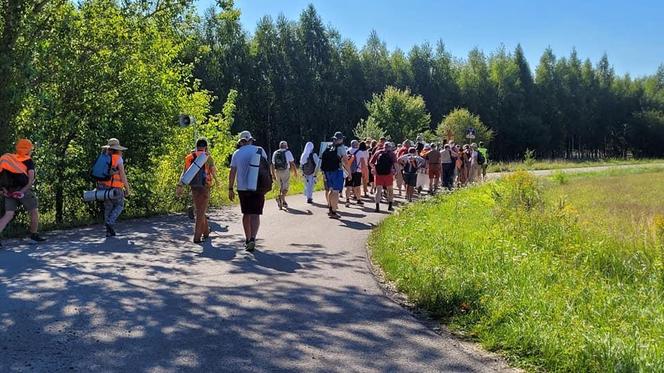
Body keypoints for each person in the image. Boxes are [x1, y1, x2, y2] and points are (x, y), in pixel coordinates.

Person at [0, 139, 47, 247]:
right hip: (24, 190)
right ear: (28, 149)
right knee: (33, 211)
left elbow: (2, 177)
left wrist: (4, 191)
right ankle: (33, 236)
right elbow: (30, 180)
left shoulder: (8, 159)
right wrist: (21, 192)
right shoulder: (28, 160)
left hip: (9, 191)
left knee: (8, 214)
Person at [228, 131, 268, 252]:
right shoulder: (260, 150)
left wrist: (230, 188)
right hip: (258, 187)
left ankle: (247, 238)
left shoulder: (237, 153)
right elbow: (265, 168)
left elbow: (232, 172)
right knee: (256, 214)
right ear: (251, 140)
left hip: (242, 188)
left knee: (246, 213)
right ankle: (253, 239)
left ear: (240, 142)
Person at [177, 138, 217, 244]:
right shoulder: (208, 157)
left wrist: (180, 185)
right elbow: (213, 171)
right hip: (205, 186)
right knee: (200, 211)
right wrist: (217, 182)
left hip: (193, 186)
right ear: (206, 146)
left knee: (200, 208)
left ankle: (206, 232)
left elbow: (185, 172)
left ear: (196, 146)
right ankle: (197, 236)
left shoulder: (189, 157)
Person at [99, 138, 131, 237]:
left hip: (103, 188)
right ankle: (110, 223)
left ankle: (108, 231)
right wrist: (127, 188)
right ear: (117, 148)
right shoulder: (118, 158)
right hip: (116, 188)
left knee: (108, 207)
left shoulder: (103, 157)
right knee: (120, 205)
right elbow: (122, 175)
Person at [320, 132, 348, 219]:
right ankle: (334, 211)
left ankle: (330, 208)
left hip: (328, 171)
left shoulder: (328, 147)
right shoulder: (341, 148)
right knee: (336, 191)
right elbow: (345, 161)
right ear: (340, 139)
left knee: (331, 190)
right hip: (337, 171)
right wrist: (349, 173)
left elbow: (322, 159)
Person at [369, 142, 396, 212]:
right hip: (388, 174)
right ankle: (390, 206)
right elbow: (395, 164)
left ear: (384, 146)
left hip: (378, 174)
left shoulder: (378, 152)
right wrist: (395, 172)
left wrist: (374, 169)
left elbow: (371, 163)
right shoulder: (392, 154)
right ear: (390, 147)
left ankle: (377, 207)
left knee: (378, 191)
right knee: (390, 190)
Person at [271, 141, 297, 210]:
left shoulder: (275, 153)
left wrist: (273, 174)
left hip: (277, 171)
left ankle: (283, 201)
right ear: (286, 146)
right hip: (285, 171)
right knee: (285, 187)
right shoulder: (288, 152)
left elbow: (273, 164)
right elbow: (292, 163)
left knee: (280, 187)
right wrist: (295, 172)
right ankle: (281, 198)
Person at [344, 140, 365, 207]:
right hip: (357, 171)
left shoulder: (347, 151)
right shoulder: (360, 152)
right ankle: (358, 200)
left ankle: (347, 200)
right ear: (357, 145)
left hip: (348, 171)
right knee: (357, 186)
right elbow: (363, 163)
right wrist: (364, 172)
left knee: (348, 186)